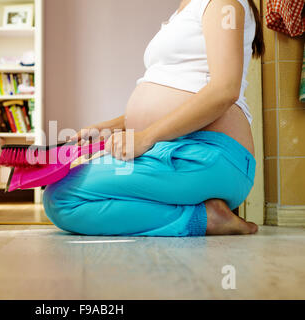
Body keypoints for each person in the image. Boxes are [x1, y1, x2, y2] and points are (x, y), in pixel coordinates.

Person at [43, 0, 264, 237]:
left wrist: (147, 136)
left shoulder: (223, 4)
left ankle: (204, 219)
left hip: (207, 153)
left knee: (63, 199)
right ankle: (205, 214)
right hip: (172, 148)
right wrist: (109, 127)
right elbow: (178, 91)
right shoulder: (186, 10)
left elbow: (224, 90)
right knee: (61, 194)